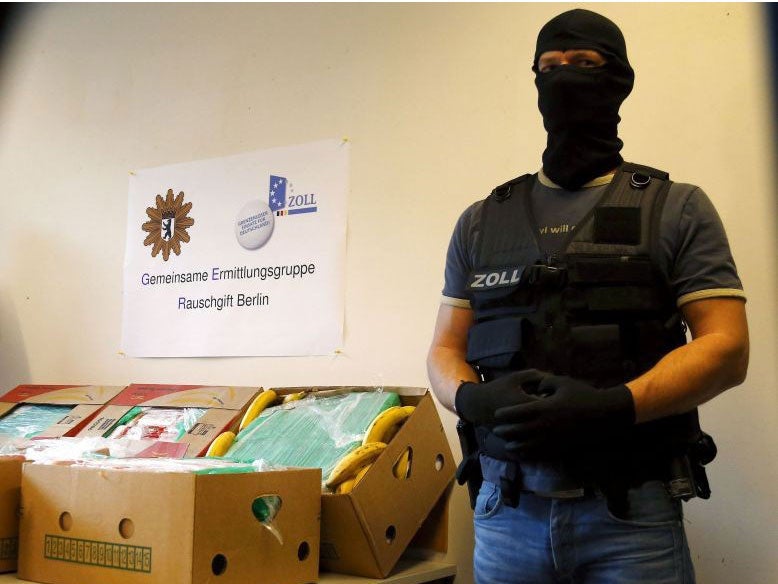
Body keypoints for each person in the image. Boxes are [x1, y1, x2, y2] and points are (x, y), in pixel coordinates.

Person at [426, 9, 749, 584]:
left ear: (619, 79)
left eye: (583, 65)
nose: (563, 78)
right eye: (549, 67)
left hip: (630, 516)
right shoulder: (481, 222)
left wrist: (613, 405)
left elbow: (726, 347)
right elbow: (444, 350)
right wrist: (470, 399)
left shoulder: (675, 207)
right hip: (506, 511)